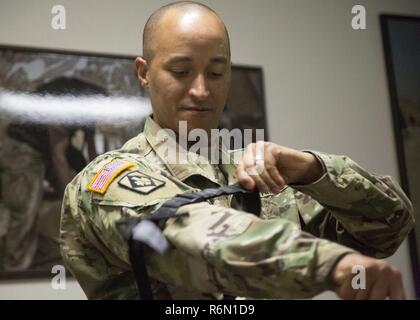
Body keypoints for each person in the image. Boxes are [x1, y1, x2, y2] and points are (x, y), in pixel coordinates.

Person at [60, 1, 414, 300]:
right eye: (181, 71)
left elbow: (388, 227)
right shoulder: (107, 179)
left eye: (216, 72)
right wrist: (329, 264)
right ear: (144, 72)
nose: (201, 90)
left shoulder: (261, 176)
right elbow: (191, 237)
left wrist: (313, 170)